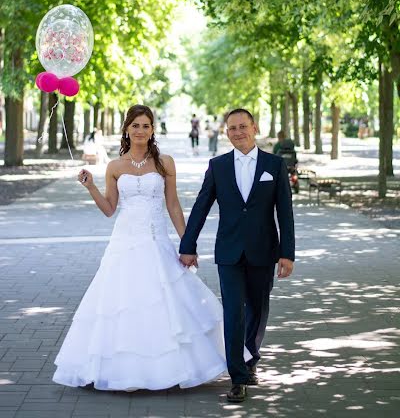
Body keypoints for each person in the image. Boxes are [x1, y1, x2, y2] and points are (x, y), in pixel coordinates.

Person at [53, 104, 228, 391]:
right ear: (127, 129)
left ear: (152, 130)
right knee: (121, 304)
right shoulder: (115, 166)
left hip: (156, 240)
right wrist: (91, 187)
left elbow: (173, 205)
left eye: (146, 126)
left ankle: (171, 368)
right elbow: (110, 209)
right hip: (124, 242)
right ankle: (123, 370)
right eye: (136, 125)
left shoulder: (165, 163)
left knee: (167, 301)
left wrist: (188, 243)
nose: (141, 131)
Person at [179, 108, 295, 403]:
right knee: (233, 312)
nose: (238, 132)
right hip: (229, 251)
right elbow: (201, 206)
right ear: (226, 132)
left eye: (243, 126)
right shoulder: (217, 166)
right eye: (232, 128)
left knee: (258, 308)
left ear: (254, 128)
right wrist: (188, 245)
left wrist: (287, 253)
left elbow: (285, 212)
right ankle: (237, 377)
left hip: (263, 250)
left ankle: (251, 357)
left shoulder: (275, 164)